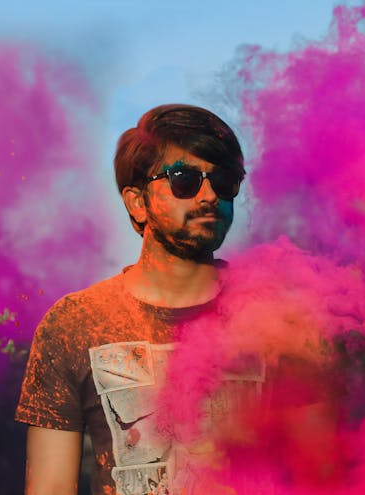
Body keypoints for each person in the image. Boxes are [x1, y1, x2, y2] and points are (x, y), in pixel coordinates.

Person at [15, 103, 247, 495]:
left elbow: (321, 475)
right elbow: (51, 486)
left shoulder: (281, 314)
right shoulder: (76, 323)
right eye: (183, 179)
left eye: (223, 180)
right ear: (137, 202)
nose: (208, 196)